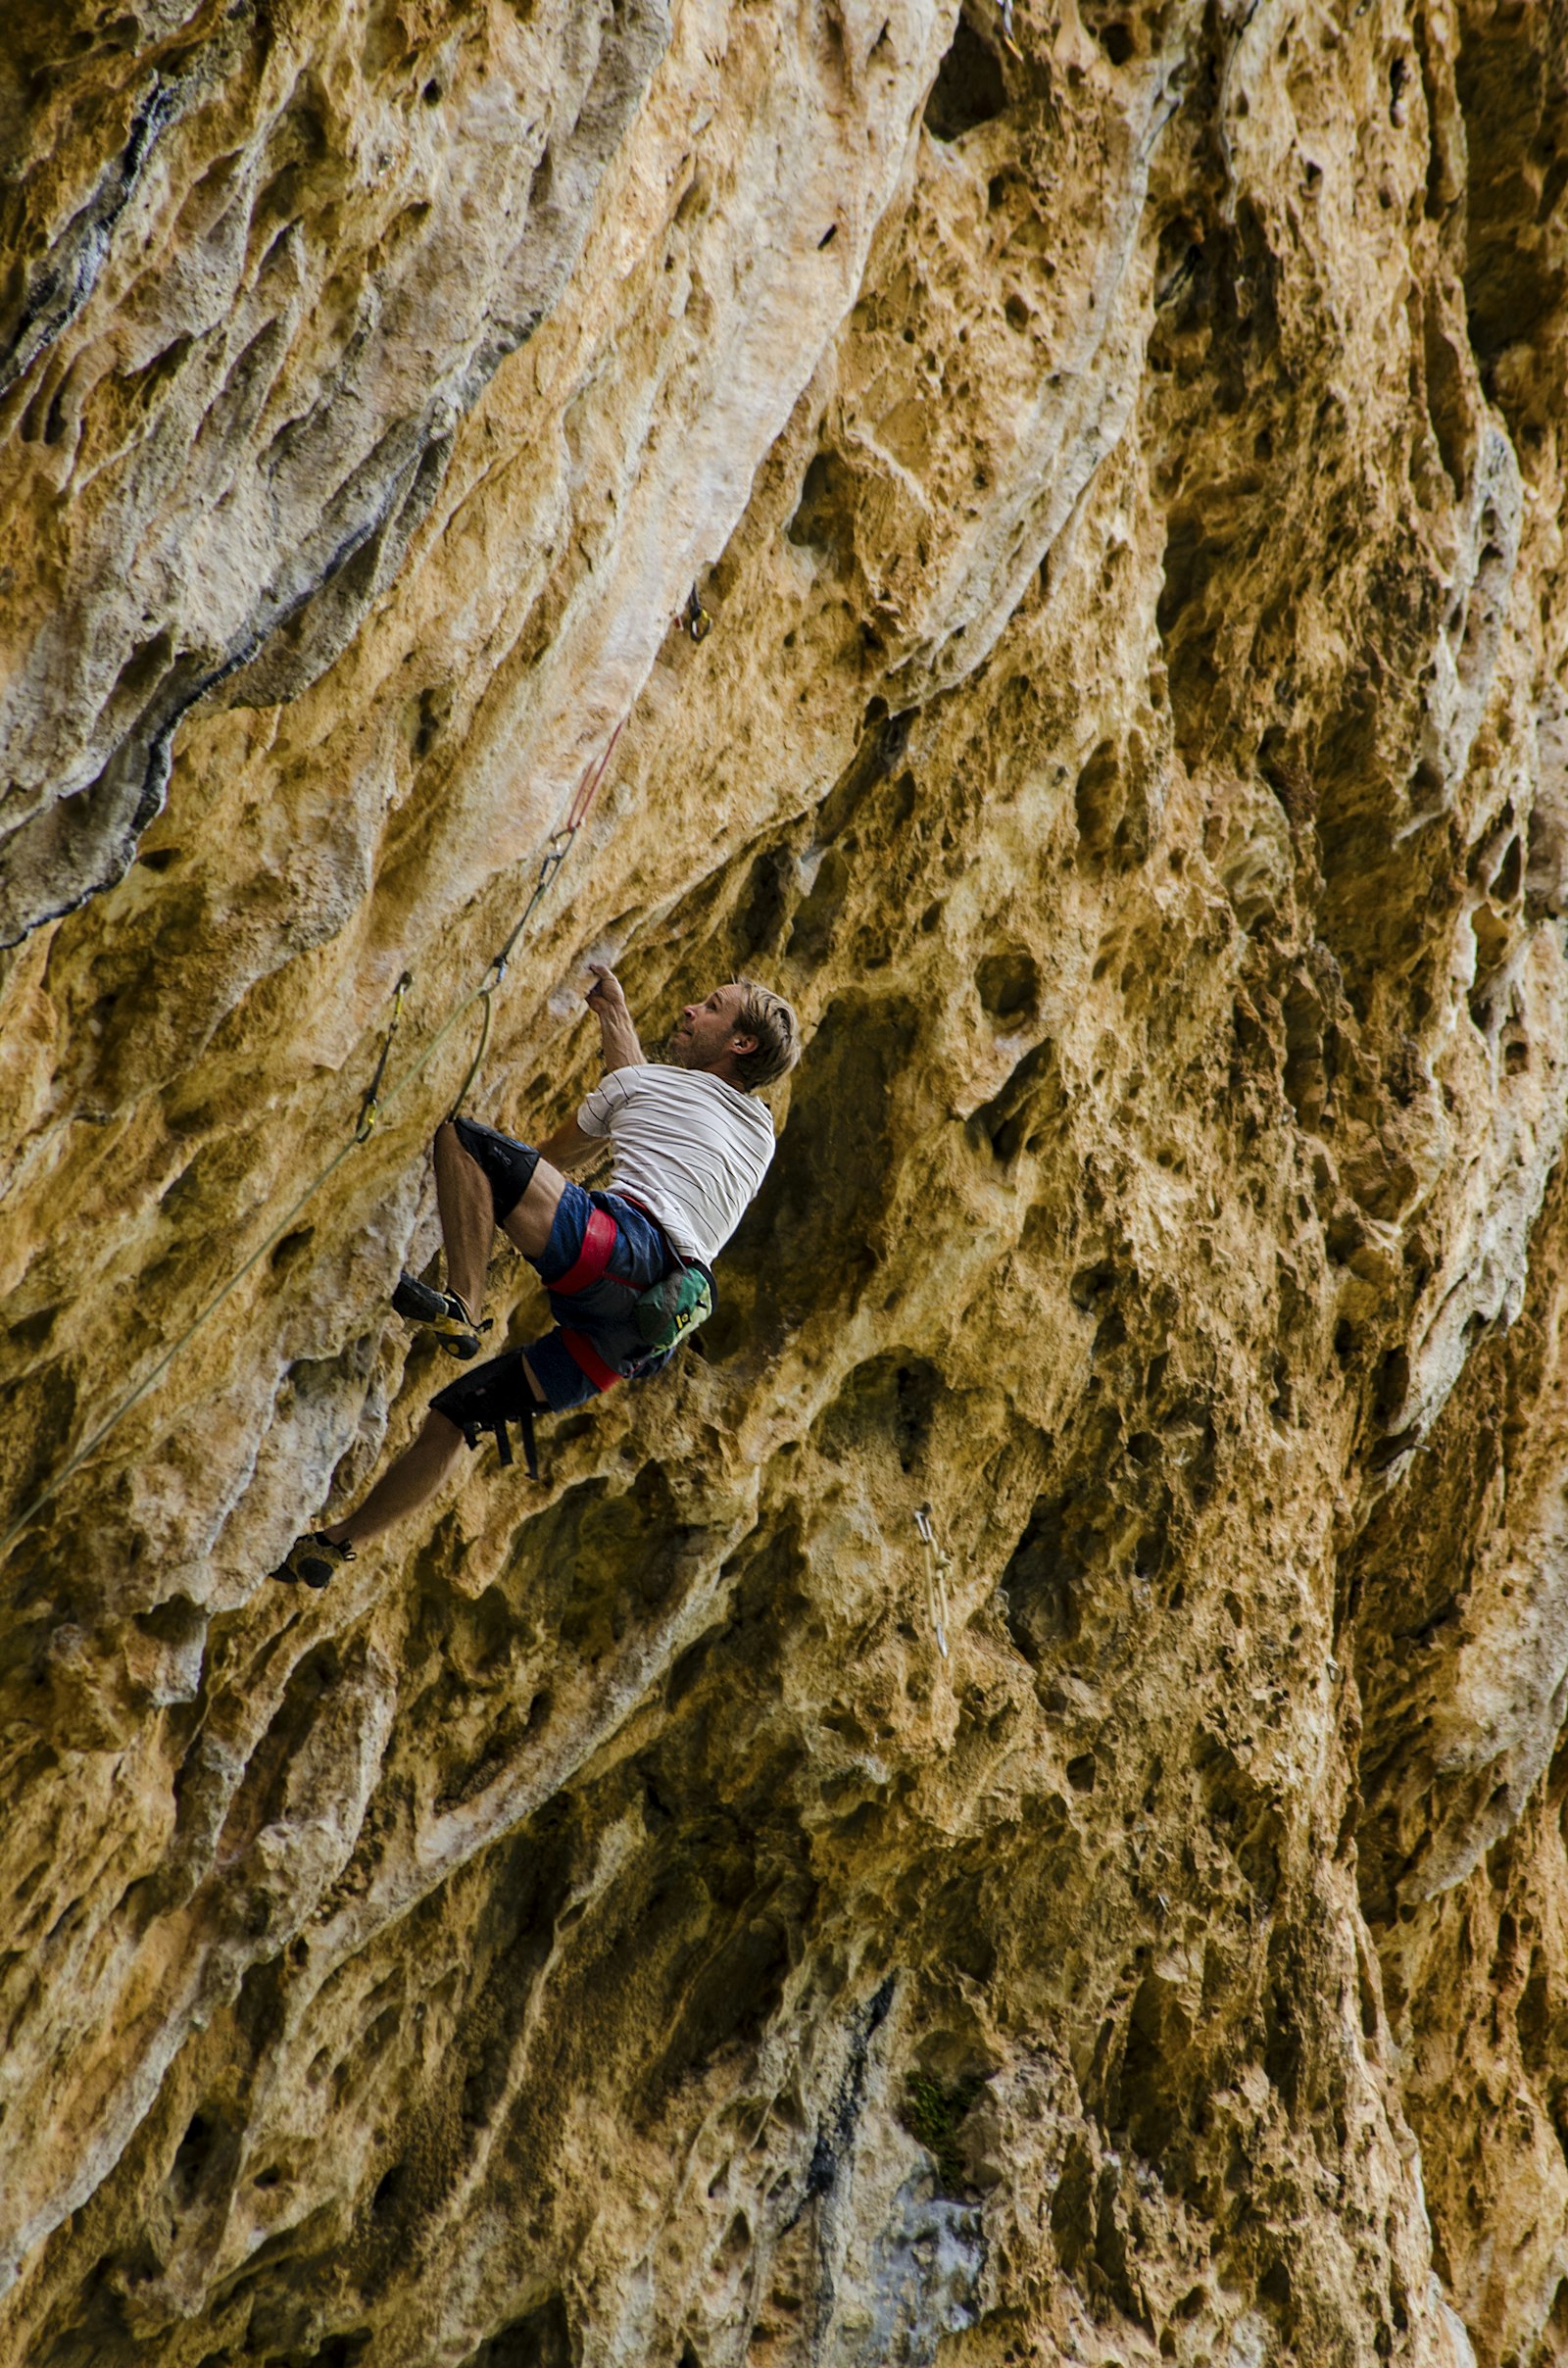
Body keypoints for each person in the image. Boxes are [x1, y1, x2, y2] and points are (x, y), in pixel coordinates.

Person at [271, 967, 801, 1587]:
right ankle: (333, 1546)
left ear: (742, 1044)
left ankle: (462, 1306)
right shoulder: (758, 1134)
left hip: (619, 1252)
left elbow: (557, 1152)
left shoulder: (648, 1088)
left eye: (712, 1007)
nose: (689, 1010)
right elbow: (638, 1093)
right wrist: (615, 1020)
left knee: (466, 1142)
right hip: (645, 1331)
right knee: (459, 1415)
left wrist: (496, 1193)